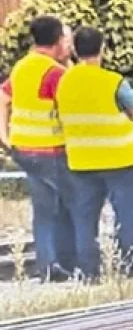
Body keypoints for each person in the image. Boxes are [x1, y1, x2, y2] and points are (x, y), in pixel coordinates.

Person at [56, 27, 133, 280]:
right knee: (125, 217)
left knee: (84, 220)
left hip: (81, 162)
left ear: (75, 50)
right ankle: (127, 267)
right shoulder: (113, 81)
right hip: (119, 160)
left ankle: (89, 272)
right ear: (102, 49)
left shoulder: (65, 82)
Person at [0, 15, 78, 281]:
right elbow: (73, 111)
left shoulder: (22, 67)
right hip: (51, 150)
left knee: (44, 210)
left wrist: (4, 136)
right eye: (65, 40)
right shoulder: (55, 74)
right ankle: (68, 263)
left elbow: (2, 98)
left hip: (23, 149)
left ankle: (48, 265)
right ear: (57, 41)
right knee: (71, 205)